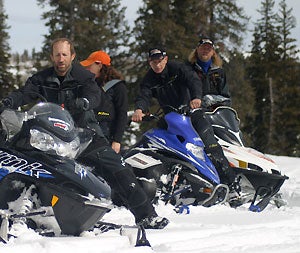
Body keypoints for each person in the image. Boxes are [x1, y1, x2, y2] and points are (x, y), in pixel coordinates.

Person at [1, 38, 169, 229]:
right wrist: (8, 102)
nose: (61, 59)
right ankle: (30, 210)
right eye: (57, 55)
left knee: (118, 169)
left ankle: (146, 215)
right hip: (54, 137)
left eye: (65, 54)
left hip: (85, 135)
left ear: (72, 56)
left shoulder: (83, 76)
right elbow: (24, 93)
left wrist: (86, 102)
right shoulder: (42, 79)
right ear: (52, 57)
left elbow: (94, 93)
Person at [131, 47, 235, 185]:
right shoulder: (149, 78)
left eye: (159, 61)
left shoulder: (178, 68)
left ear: (165, 59)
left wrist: (196, 98)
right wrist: (139, 109)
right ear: (149, 63)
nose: (157, 65)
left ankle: (230, 183)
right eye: (153, 62)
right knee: (154, 141)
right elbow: (144, 94)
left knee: (209, 143)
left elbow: (193, 81)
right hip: (170, 118)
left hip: (191, 113)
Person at [80, 50, 128, 154]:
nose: (87, 68)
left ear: (99, 65)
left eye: (90, 65)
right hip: (89, 131)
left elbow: (122, 113)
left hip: (108, 134)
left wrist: (117, 140)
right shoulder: (91, 84)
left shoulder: (118, 87)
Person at [187, 38, 231, 109]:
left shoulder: (219, 72)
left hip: (215, 115)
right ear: (197, 50)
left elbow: (226, 98)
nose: (205, 51)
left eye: (209, 49)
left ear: (213, 52)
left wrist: (210, 100)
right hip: (194, 112)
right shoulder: (188, 69)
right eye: (203, 48)